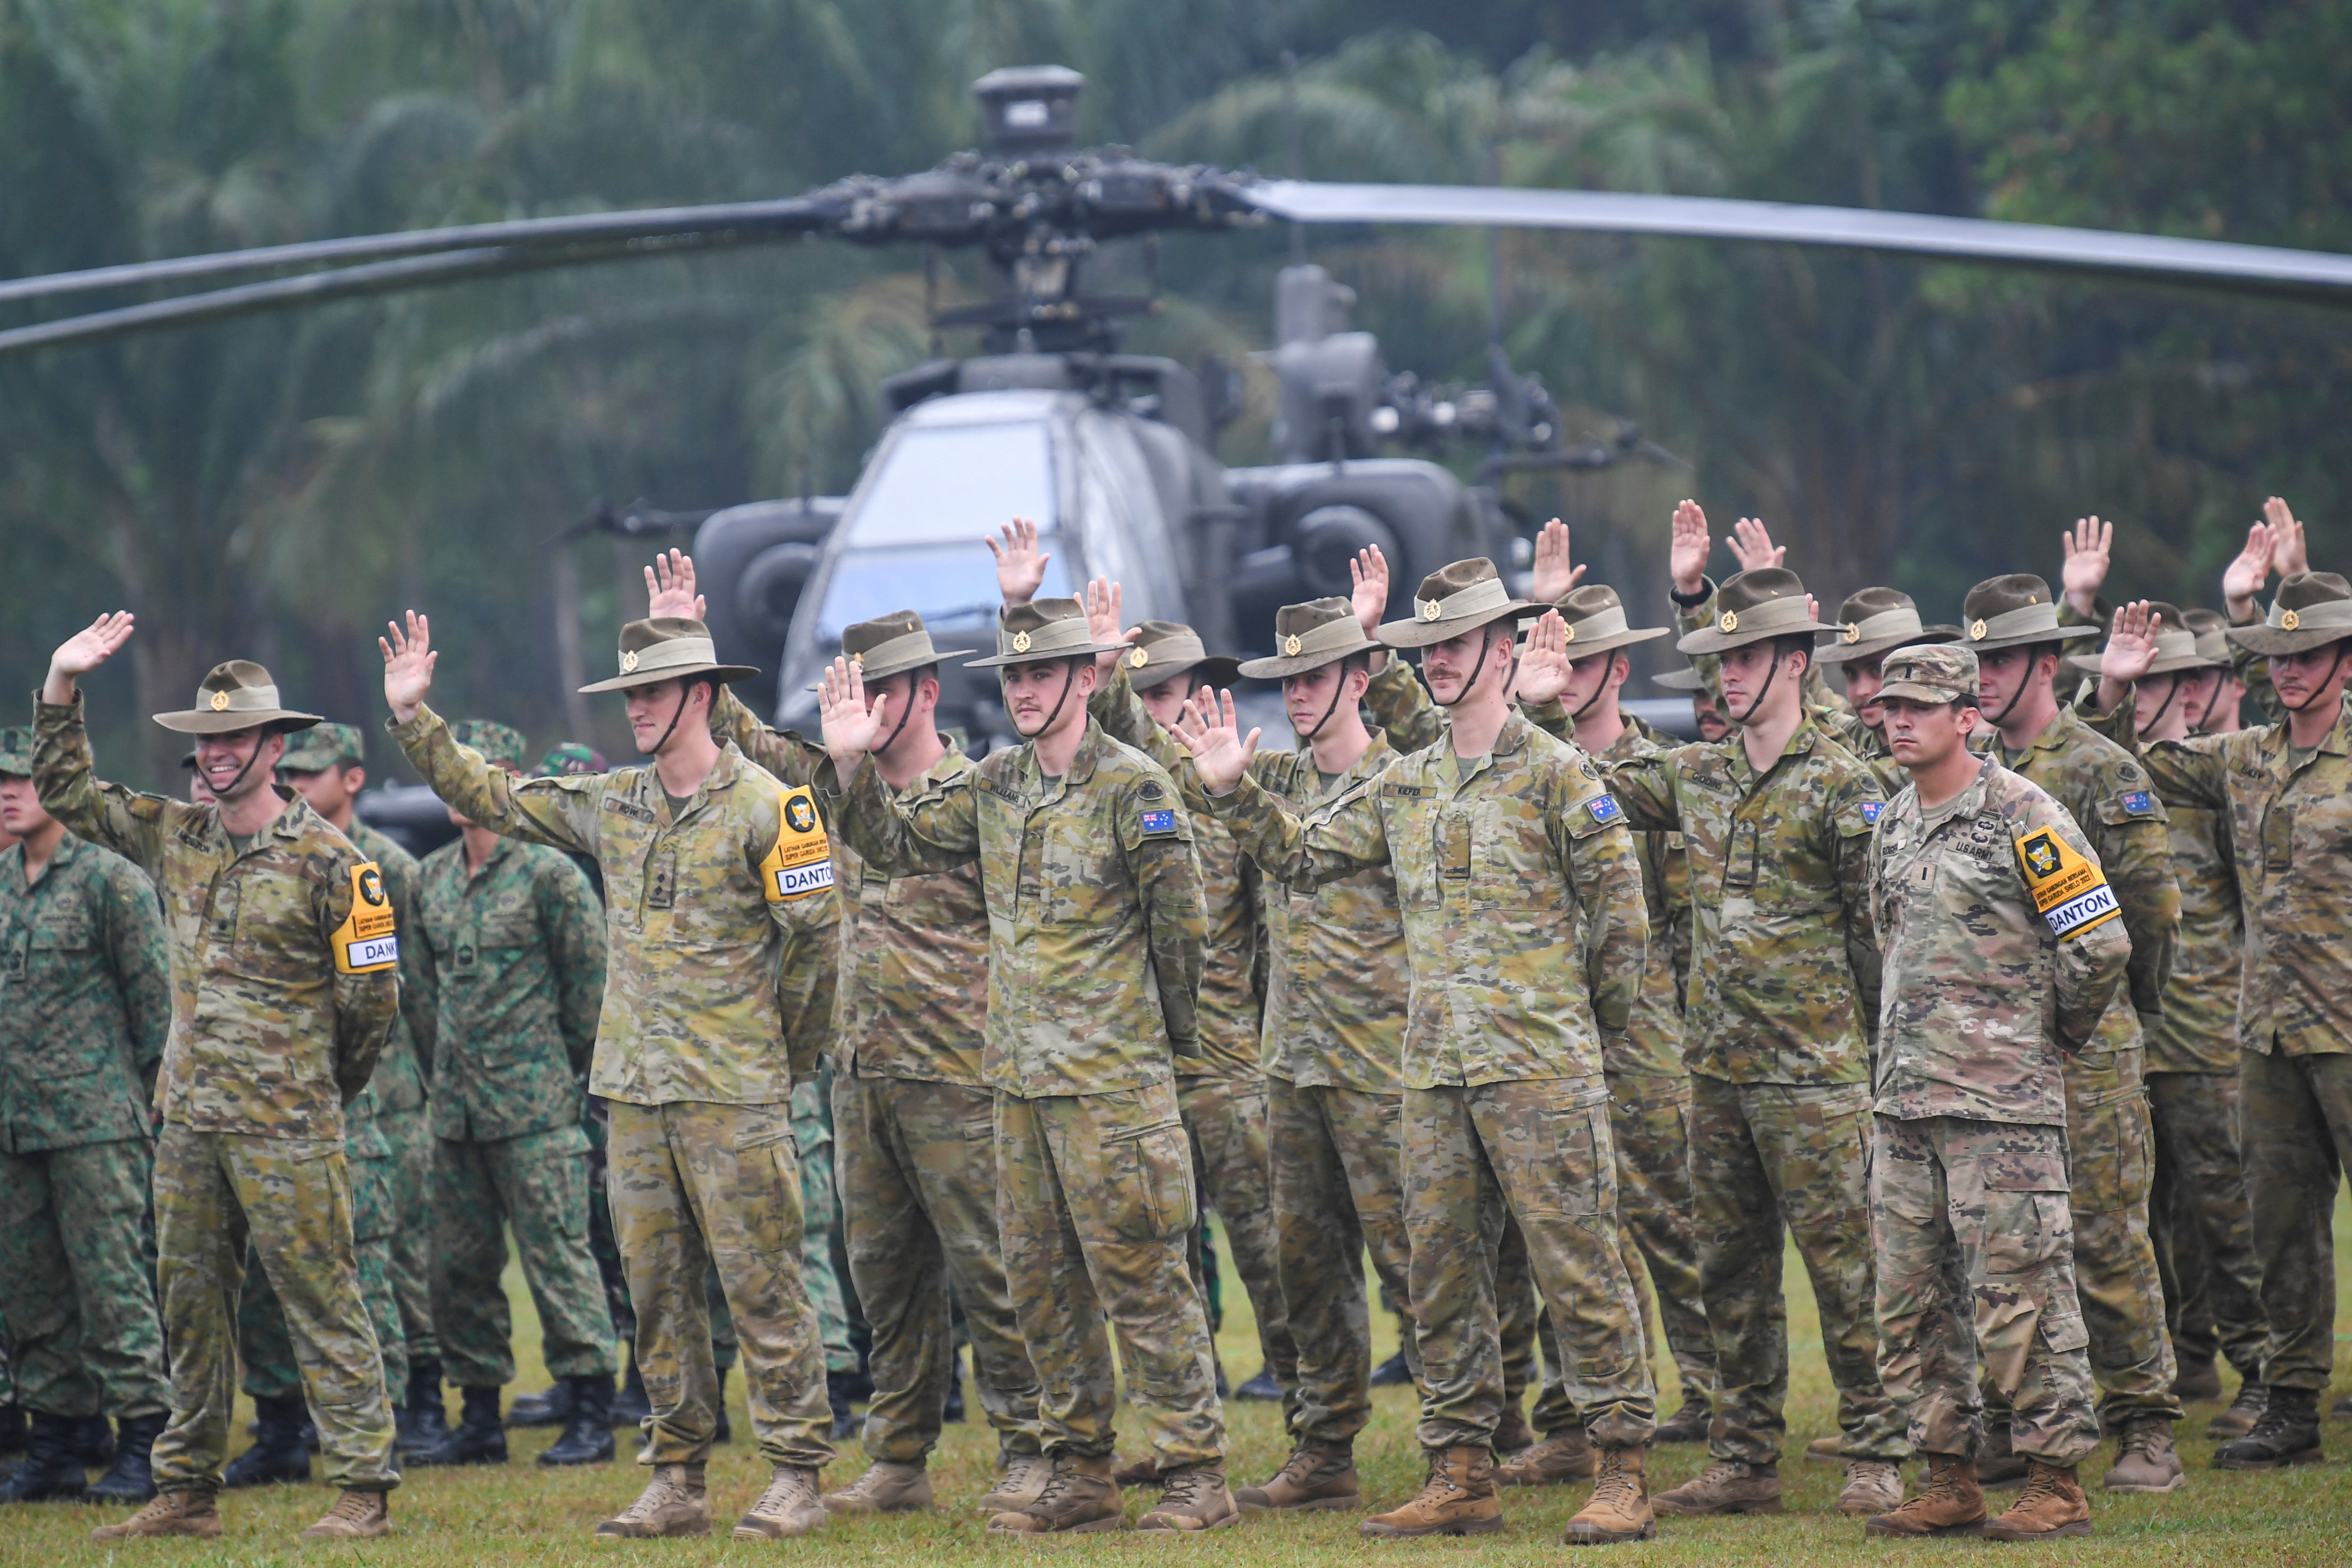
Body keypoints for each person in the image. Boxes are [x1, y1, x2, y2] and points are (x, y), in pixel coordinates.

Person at [1177, 556, 1661, 1546]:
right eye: (1428, 645)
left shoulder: (1558, 772)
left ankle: (1620, 1465)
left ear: (1500, 646)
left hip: (1537, 1066)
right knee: (1441, 1273)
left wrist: (1573, 1035)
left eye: (1454, 643)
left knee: (1579, 1266)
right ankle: (1460, 1466)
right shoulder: (1408, 778)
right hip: (1433, 1068)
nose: (1439, 660)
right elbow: (1305, 854)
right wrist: (1232, 792)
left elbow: (1623, 928)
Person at [384, 610, 839, 1540]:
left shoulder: (772, 806)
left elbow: (820, 949)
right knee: (657, 1291)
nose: (635, 706)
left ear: (702, 696)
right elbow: (498, 796)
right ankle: (677, 1473)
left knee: (764, 1286)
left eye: (652, 691)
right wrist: (416, 716)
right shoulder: (616, 800)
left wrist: (777, 1060)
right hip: (636, 1095)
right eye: (626, 692)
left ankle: (796, 1469)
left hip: (735, 1094)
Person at [818, 592, 1235, 1535]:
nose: (1023, 691)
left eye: (1041, 672)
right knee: (1043, 1286)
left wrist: (1146, 1048)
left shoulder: (1137, 787)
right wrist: (848, 769)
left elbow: (1185, 934)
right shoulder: (997, 784)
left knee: (1144, 1281)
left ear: (1086, 678)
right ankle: (1079, 1466)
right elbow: (901, 845)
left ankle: (1195, 1472)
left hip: (1111, 1087)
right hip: (1015, 1088)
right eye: (1012, 676)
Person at [642, 554, 1050, 1515]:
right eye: (855, 686)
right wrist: (681, 640)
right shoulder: (828, 781)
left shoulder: (980, 793)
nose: (867, 704)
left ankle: (1035, 1446)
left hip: (958, 1070)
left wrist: (1023, 609)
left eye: (886, 688)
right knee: (882, 1276)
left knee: (993, 1269)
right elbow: (727, 730)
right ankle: (901, 1458)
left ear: (927, 691)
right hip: (863, 1072)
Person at [1549, 503, 1902, 1522]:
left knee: (1849, 1269)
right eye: (1719, 657)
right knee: (1733, 1273)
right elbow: (1574, 774)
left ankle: (1878, 1445)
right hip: (1717, 1070)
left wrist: (1879, 1065)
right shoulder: (1695, 776)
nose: (1729, 673)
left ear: (1798, 660)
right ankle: (1745, 1454)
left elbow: (1879, 939)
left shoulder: (1844, 786)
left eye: (1748, 656)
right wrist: (1537, 678)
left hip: (1818, 1073)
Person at [38, 631, 403, 1541]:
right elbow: (68, 792)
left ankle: (364, 1484)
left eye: (234, 736)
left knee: (321, 1298)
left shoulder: (336, 862)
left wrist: (317, 1089)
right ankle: (188, 1485)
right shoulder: (178, 836)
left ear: (275, 745)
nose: (217, 751)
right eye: (205, 739)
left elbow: (373, 1005)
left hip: (290, 1128)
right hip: (191, 1121)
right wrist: (61, 683)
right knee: (189, 1306)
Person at [1860, 643, 2123, 1542]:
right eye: (1890, 705)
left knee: (2022, 1294)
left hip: (2000, 1108)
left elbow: (2101, 944)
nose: (1899, 719)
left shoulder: (2027, 814)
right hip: (1905, 1106)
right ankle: (1948, 1476)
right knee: (1914, 1297)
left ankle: (2055, 1479)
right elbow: (1884, 935)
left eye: (1920, 706)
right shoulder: (1893, 818)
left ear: (1967, 716)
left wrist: (2044, 1037)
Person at [2104, 517, 2352, 1467]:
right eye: (2278, 655)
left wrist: (2285, 580)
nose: (2291, 670)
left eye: (2311, 653)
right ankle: (2291, 1404)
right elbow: (2150, 764)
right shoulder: (2245, 757)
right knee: (2280, 1223)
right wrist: (2123, 682)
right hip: (2270, 1033)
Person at [1958, 564, 2184, 1493]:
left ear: (2047, 662)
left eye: (2004, 657)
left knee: (2104, 1235)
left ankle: (2146, 1421)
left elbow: (2152, 917)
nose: (1984, 676)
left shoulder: (2100, 769)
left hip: (2086, 1049)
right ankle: (2022, 1416)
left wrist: (2117, 1022)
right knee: (2004, 1242)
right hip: (1994, 1053)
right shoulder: (1966, 771)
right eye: (1977, 657)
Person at [1494, 560, 1718, 1469]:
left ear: (1618, 671)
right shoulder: (1522, 761)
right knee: (1565, 1226)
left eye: (1580, 659)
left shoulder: (1653, 774)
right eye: (1549, 656)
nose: (1562, 672)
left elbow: (1675, 916)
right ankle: (1573, 1416)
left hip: (1644, 1033)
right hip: (1556, 1026)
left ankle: (1717, 1401)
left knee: (1673, 1224)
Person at [213, 724, 440, 1485]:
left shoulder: (387, 868)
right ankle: (279, 1420)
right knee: (261, 1276)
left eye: (314, 773)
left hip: (366, 1091)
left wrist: (358, 1079)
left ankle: (399, 1413)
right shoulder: (245, 855)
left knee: (362, 1262)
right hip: (255, 1104)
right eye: (295, 772)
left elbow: (404, 994)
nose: (300, 785)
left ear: (352, 777)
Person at [2066, 605, 2270, 1437]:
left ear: (2191, 686)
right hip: (2120, 1028)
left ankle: (2259, 1367)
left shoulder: (2204, 776)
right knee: (2131, 1213)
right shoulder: (2104, 771)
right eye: (2137, 681)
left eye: (2162, 679)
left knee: (2223, 1206)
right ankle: (2177, 1356)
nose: (2148, 694)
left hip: (2200, 1024)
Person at [403, 719, 616, 1469]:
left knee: (559, 1261)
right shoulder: (428, 878)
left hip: (537, 1110)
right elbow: (421, 998)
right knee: (457, 1270)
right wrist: (444, 1079)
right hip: (456, 1114)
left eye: (481, 769)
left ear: (509, 779)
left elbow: (588, 990)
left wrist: (571, 1083)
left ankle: (591, 1407)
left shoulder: (549, 874)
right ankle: (479, 1417)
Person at [0, 726, 173, 1504]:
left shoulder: (113, 879)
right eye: (1, 781)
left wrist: (137, 1101)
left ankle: (142, 1435)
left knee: (113, 1288)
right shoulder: (1, 882)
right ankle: (56, 1441)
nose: (9, 792)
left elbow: (156, 1009)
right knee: (33, 1293)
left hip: (97, 1122)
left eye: (25, 779)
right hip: (15, 1125)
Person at [1810, 587, 1963, 786]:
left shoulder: (1942, 747)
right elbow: (1818, 704)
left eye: (1877, 670)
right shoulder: (1861, 735)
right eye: (1851, 674)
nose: (1861, 691)